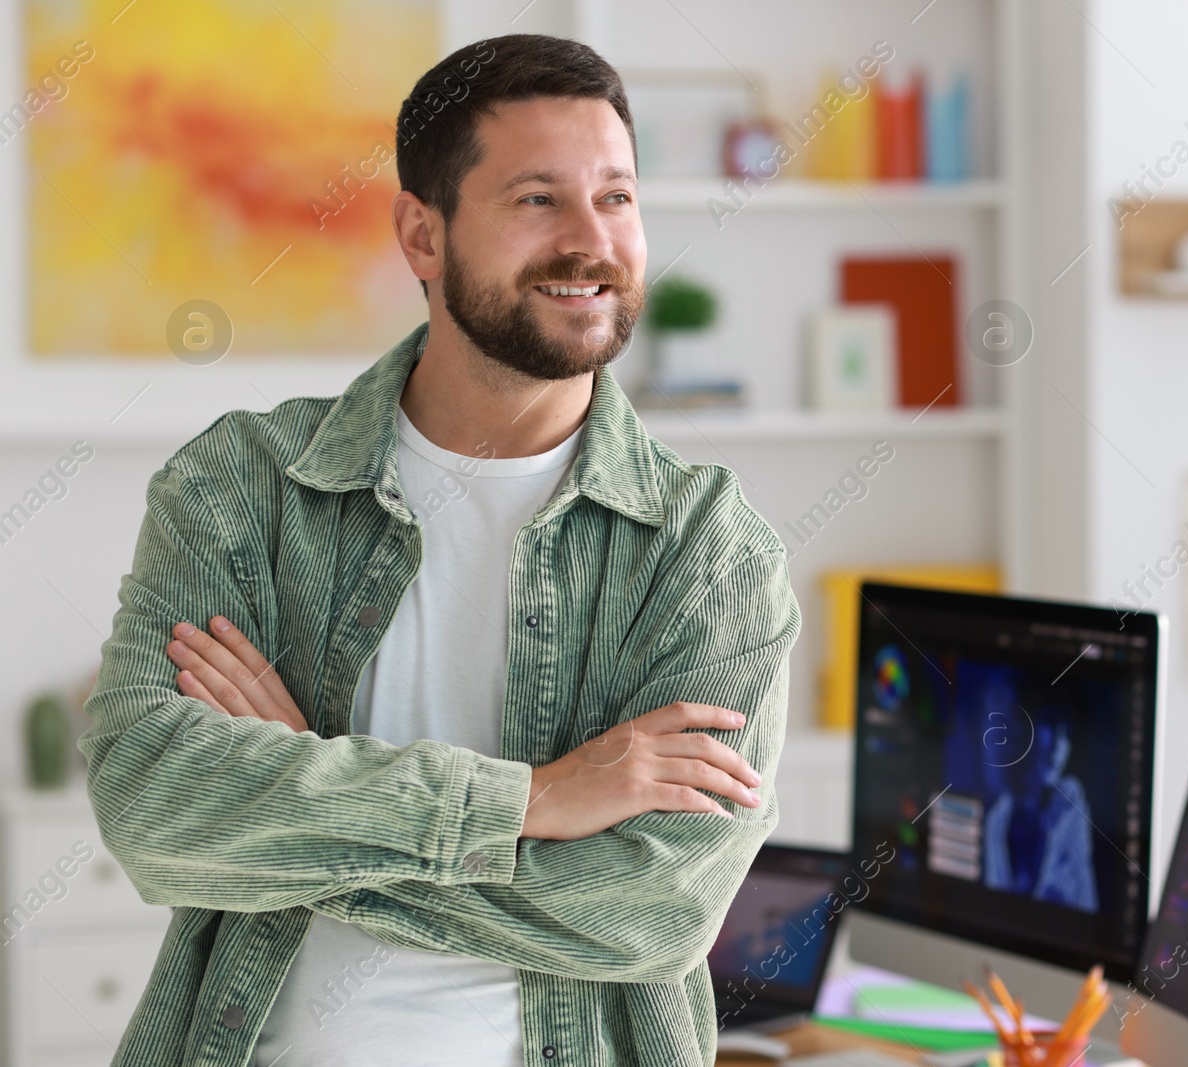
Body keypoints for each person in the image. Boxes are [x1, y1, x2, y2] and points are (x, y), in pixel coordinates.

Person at [78, 33, 799, 1067]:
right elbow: (152, 804)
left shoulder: (708, 552)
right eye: (537, 199)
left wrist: (297, 799)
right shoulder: (241, 485)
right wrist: (534, 800)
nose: (590, 240)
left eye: (618, 198)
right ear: (423, 233)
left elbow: (654, 909)